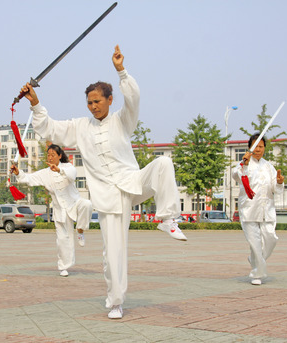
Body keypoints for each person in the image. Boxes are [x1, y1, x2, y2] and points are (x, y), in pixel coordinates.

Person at [20, 45, 187, 319]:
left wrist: (121, 71)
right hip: (109, 197)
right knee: (114, 253)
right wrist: (35, 102)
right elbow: (50, 128)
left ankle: (167, 218)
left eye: (98, 101)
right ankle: (115, 301)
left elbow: (133, 99)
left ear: (110, 100)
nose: (93, 106)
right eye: (89, 102)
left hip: (132, 182)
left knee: (164, 163)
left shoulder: (123, 120)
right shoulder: (80, 127)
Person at [10, 144, 93, 277]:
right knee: (62, 240)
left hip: (74, 203)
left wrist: (59, 170)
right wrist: (18, 172)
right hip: (60, 209)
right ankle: (63, 267)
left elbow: (72, 175)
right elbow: (30, 179)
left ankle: (81, 229)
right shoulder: (45, 173)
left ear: (60, 156)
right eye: (48, 155)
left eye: (53, 155)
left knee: (87, 204)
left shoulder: (68, 167)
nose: (50, 157)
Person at [232, 133, 285, 286]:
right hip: (249, 209)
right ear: (250, 148)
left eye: (261, 146)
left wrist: (280, 182)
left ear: (264, 149)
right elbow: (236, 175)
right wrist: (245, 163)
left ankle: (255, 258)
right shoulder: (243, 163)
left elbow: (275, 187)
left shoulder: (269, 167)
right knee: (255, 242)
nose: (258, 150)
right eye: (255, 147)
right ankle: (257, 273)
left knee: (271, 238)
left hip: (266, 209)